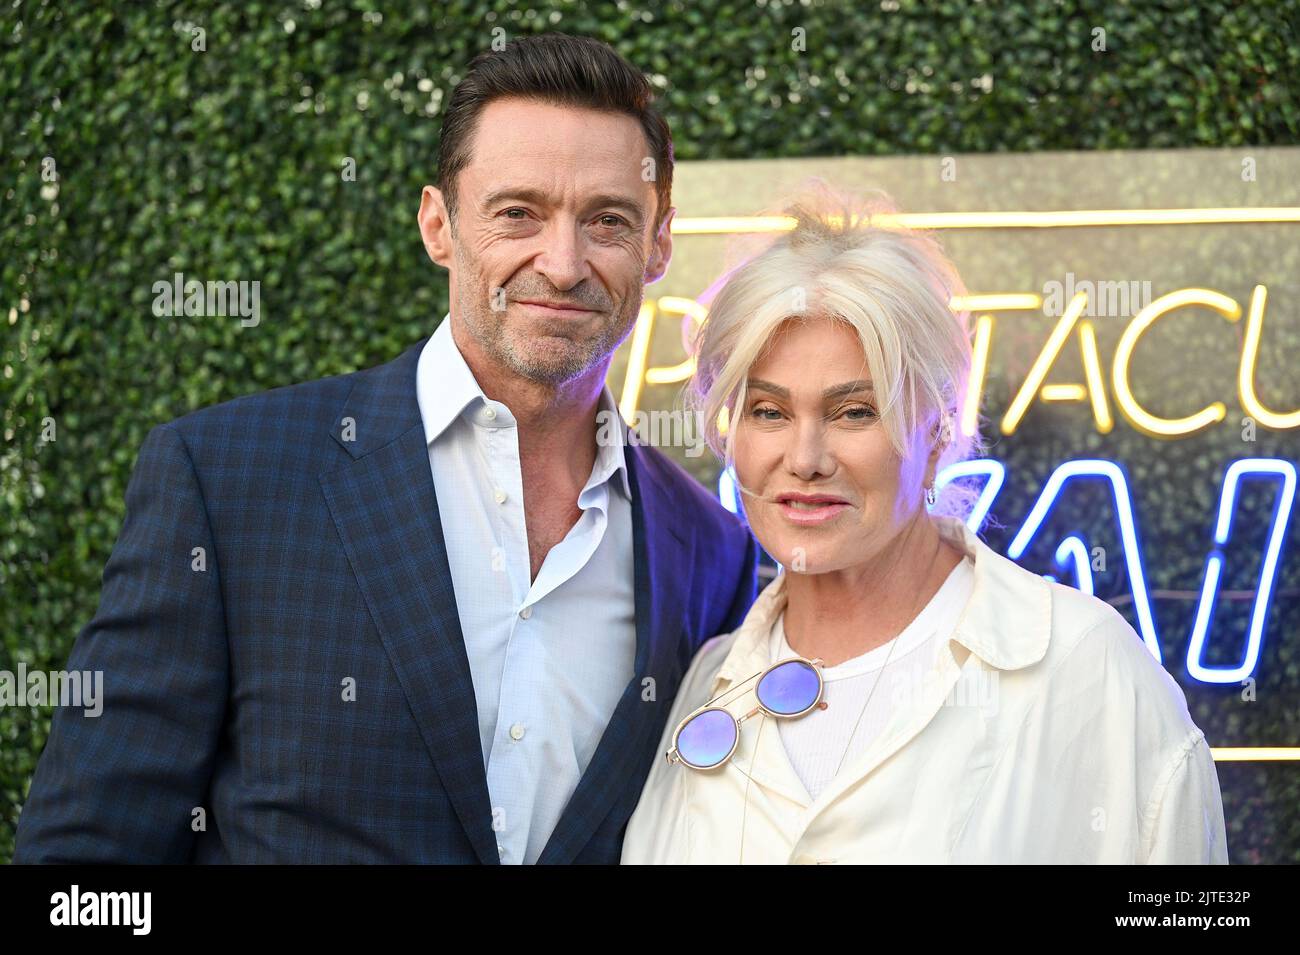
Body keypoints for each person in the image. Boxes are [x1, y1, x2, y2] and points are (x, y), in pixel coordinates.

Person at [15, 33, 757, 864]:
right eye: (517, 213)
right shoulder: (227, 483)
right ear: (439, 225)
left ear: (658, 245)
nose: (563, 260)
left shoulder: (709, 547)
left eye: (608, 221)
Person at [621, 190, 1228, 864]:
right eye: (768, 411)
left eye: (855, 411)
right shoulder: (706, 681)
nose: (805, 458)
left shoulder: (1086, 670)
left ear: (938, 430)